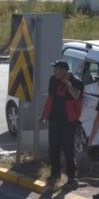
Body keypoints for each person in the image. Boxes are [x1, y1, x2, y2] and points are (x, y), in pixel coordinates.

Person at [40, 60, 84, 188]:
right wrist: (44, 116)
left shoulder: (77, 81)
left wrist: (68, 84)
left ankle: (72, 176)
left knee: (68, 150)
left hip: (69, 122)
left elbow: (76, 96)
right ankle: (55, 173)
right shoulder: (53, 80)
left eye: (57, 69)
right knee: (53, 149)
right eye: (55, 69)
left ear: (64, 70)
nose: (54, 71)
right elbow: (50, 98)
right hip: (54, 120)